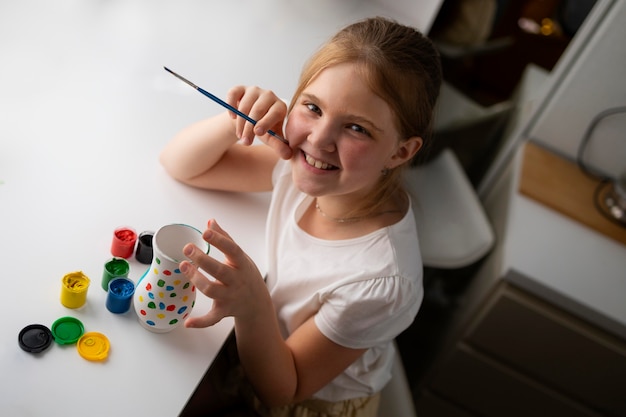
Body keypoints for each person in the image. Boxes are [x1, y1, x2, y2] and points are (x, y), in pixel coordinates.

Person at [160, 16, 442, 417]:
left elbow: (281, 390)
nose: (319, 139)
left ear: (400, 152)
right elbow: (180, 164)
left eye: (357, 128)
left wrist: (253, 304)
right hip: (258, 339)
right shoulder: (306, 171)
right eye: (312, 107)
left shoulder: (383, 281)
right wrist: (233, 120)